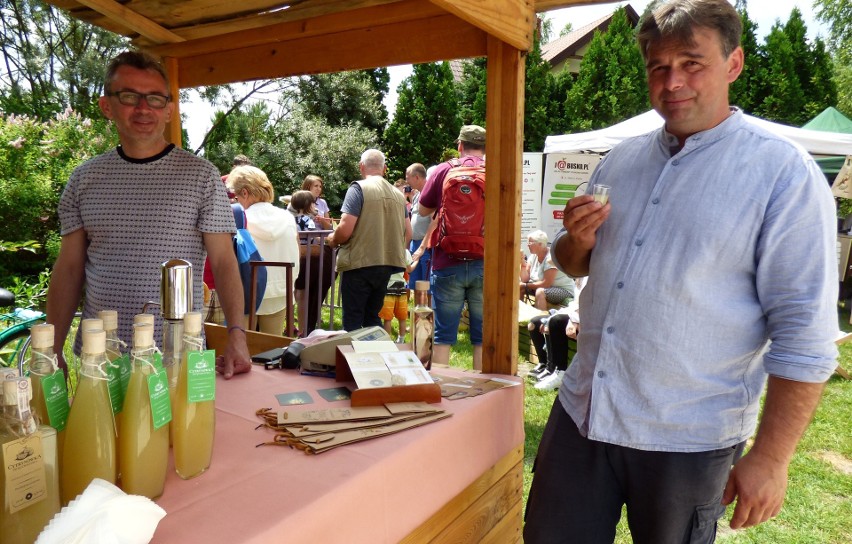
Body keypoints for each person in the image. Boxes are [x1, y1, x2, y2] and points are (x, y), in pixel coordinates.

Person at [524, 1, 839, 542]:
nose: (672, 82)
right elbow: (574, 263)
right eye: (658, 67)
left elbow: (803, 333)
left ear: (733, 64)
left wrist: (771, 457)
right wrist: (576, 242)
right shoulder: (619, 162)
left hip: (688, 436)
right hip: (584, 412)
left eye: (692, 63)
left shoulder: (782, 174)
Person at [46, 50, 252, 379]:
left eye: (155, 98)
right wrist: (52, 347)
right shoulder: (84, 179)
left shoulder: (201, 176)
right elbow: (69, 269)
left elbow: (224, 261)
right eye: (129, 96)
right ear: (107, 106)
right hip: (102, 356)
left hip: (175, 353)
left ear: (169, 110)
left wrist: (236, 334)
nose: (143, 108)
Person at [418, 125, 486, 370]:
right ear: (485, 147)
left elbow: (423, 209)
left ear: (460, 145)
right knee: (481, 337)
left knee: (443, 336)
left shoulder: (445, 170)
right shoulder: (494, 170)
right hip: (483, 261)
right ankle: (480, 394)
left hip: (447, 261)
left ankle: (444, 389)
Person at [326, 149, 411, 332]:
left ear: (361, 167)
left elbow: (345, 229)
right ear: (385, 169)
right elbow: (408, 232)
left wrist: (333, 239)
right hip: (387, 265)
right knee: (373, 318)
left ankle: (352, 360)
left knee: (353, 321)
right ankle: (375, 358)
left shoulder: (358, 188)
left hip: (359, 263)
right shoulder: (399, 196)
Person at [227, 165, 299, 335]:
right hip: (281, 290)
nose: (234, 200)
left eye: (235, 195)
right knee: (271, 350)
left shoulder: (238, 219)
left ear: (244, 193)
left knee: (242, 347)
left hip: (246, 293)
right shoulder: (287, 217)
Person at [289, 189, 335, 335]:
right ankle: (303, 329)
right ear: (308, 205)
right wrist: (327, 240)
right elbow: (313, 238)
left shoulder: (290, 220)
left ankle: (293, 325)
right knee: (303, 295)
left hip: (294, 257)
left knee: (296, 294)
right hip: (306, 257)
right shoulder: (307, 220)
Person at [519, 229, 575, 310]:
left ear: (540, 244)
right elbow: (525, 279)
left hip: (563, 290)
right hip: (543, 287)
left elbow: (546, 284)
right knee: (520, 288)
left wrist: (525, 285)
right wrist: (523, 264)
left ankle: (539, 320)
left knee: (540, 292)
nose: (528, 245)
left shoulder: (550, 258)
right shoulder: (533, 256)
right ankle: (519, 314)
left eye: (530, 243)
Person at [378, 249, 415, 343]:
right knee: (402, 318)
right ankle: (401, 340)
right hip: (401, 287)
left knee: (387, 318)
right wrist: (417, 260)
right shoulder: (405, 251)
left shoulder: (384, 249)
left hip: (388, 288)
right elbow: (409, 269)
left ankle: (387, 341)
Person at [405, 163, 432, 290]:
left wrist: (423, 247)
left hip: (425, 246)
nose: (406, 181)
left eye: (408, 177)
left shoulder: (430, 194)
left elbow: (434, 222)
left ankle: (426, 310)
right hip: (414, 244)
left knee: (426, 286)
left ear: (416, 177)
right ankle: (417, 309)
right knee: (415, 285)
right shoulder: (416, 196)